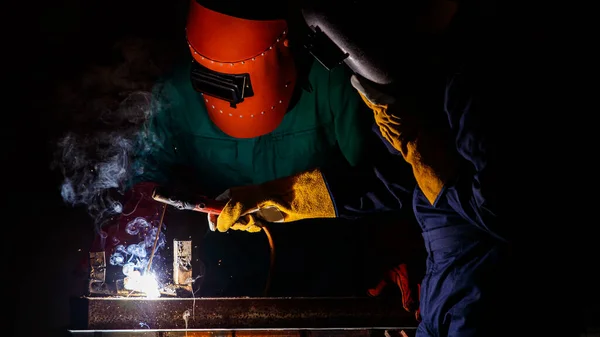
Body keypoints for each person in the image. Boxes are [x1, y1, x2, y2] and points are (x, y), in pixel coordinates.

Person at [94, 0, 424, 304]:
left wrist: (394, 248)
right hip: (220, 263)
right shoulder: (176, 92)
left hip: (324, 257)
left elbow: (380, 181)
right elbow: (147, 177)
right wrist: (129, 237)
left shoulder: (332, 81)